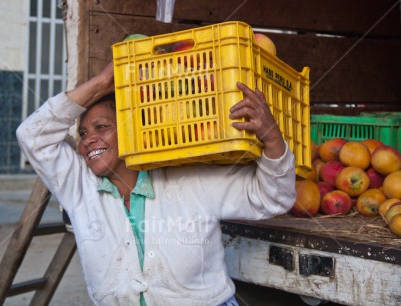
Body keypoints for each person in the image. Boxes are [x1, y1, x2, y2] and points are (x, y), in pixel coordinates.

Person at [16, 61, 296, 306]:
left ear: (130, 130)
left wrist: (272, 139)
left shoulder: (188, 179)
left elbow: (272, 198)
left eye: (101, 127)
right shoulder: (79, 186)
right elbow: (31, 136)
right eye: (83, 133)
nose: (88, 139)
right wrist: (101, 83)